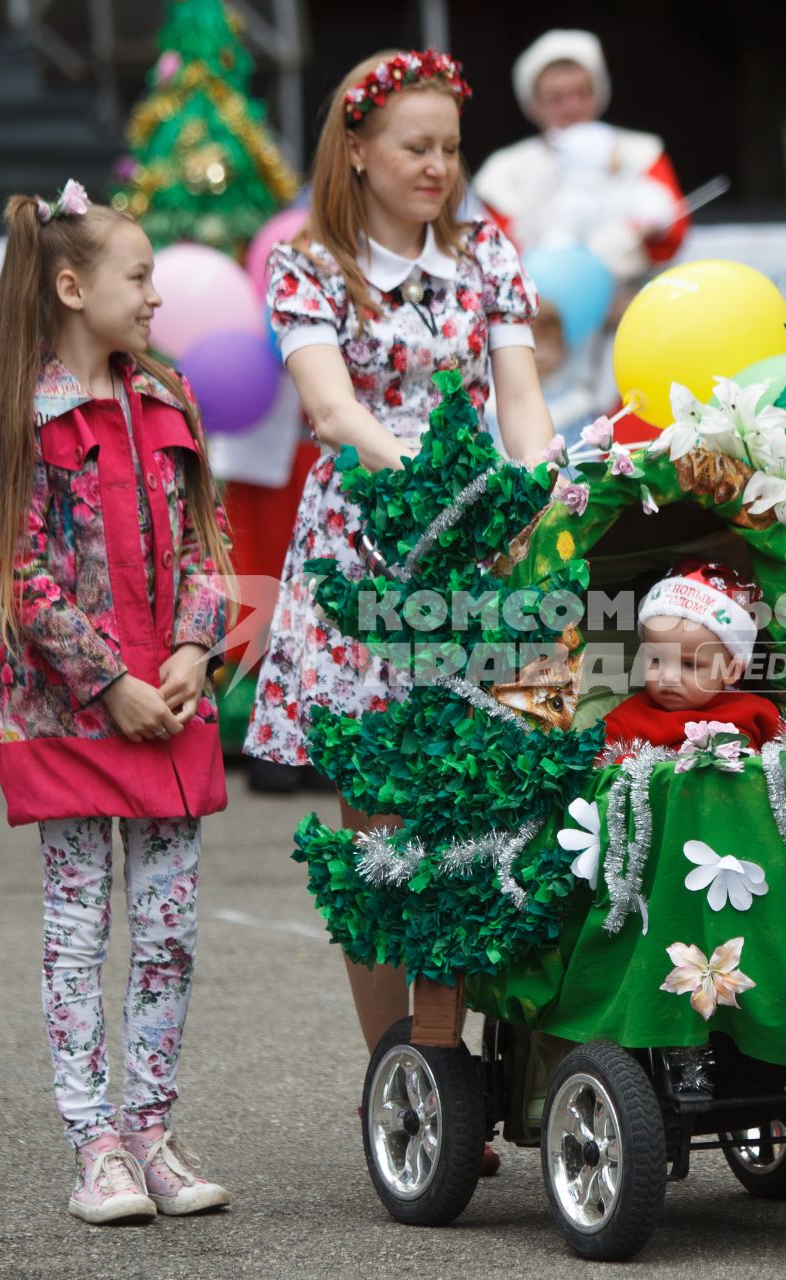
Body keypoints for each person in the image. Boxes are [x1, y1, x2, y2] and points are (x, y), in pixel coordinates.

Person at [247, 49, 555, 1170]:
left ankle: (479, 1058)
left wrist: (541, 487)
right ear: (358, 150)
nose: (438, 166)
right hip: (368, 560)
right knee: (381, 825)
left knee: (501, 797)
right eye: (415, 147)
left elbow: (521, 395)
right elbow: (331, 408)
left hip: (485, 554)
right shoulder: (307, 265)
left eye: (450, 148)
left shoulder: (488, 253)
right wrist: (432, 490)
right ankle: (408, 1079)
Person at [0, 183, 234, 1225]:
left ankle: (152, 1129)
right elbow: (18, 573)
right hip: (76, 713)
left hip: (173, 704)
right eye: (140, 276)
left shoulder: (168, 397)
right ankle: (94, 1144)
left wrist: (197, 643)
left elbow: (209, 543)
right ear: (72, 286)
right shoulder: (25, 414)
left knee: (170, 928)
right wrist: (109, 682)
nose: (156, 296)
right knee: (79, 927)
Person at [473, 29, 689, 289]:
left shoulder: (643, 151)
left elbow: (672, 237)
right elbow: (496, 254)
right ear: (533, 104)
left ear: (598, 93)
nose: (571, 107)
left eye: (581, 93)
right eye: (557, 98)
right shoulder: (502, 171)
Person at [601, 561, 786, 753]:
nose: (668, 676)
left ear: (732, 670)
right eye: (656, 660)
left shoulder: (754, 712)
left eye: (689, 664)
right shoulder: (627, 720)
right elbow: (600, 766)